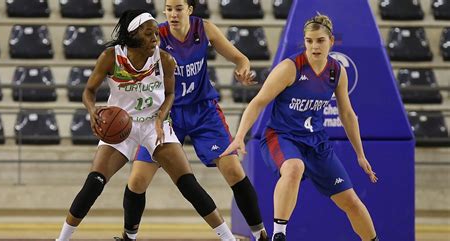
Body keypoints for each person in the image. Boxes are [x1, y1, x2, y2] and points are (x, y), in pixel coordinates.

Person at [56, 9, 237, 241]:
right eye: (149, 34)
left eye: (156, 35)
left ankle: (228, 238)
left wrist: (161, 118)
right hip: (122, 127)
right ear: (133, 35)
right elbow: (88, 91)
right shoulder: (112, 57)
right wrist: (93, 111)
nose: (155, 39)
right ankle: (62, 238)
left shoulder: (165, 60)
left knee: (188, 184)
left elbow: (170, 94)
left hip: (154, 125)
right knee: (94, 183)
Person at [220, 13, 379, 241]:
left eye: (320, 40)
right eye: (309, 41)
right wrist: (239, 136)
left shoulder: (336, 71)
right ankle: (279, 235)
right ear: (304, 42)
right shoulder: (290, 68)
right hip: (281, 136)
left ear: (331, 42)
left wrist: (360, 154)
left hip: (316, 142)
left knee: (351, 201)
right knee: (294, 168)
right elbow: (258, 102)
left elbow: (347, 114)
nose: (314, 46)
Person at [120, 0, 268, 240]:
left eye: (178, 8)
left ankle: (260, 234)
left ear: (190, 10)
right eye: (169, 9)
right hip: (166, 115)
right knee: (137, 179)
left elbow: (240, 59)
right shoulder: (155, 35)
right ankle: (129, 236)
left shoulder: (205, 29)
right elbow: (131, 69)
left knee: (233, 170)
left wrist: (243, 69)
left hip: (203, 111)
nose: (173, 14)